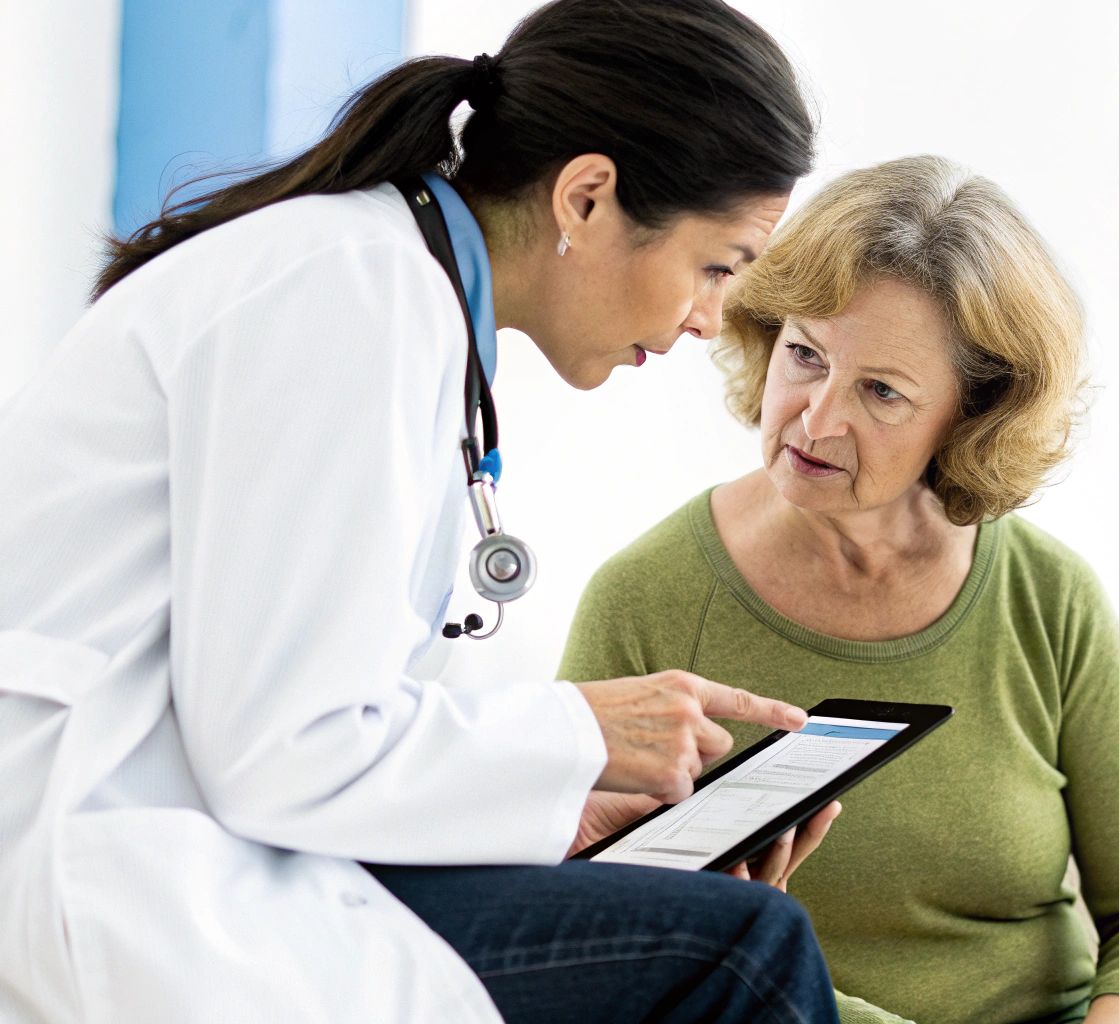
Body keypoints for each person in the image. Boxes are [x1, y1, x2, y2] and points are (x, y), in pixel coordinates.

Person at [0, 2, 845, 1021]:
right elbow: (284, 751)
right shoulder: (351, 293)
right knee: (742, 953)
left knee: (690, 917)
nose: (708, 317)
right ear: (585, 196)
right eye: (718, 265)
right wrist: (574, 733)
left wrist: (554, 806)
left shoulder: (386, 287)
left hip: (184, 838)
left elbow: (297, 727)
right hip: (107, 861)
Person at [558, 156, 1119, 1024]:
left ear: (969, 418)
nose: (816, 417)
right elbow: (591, 936)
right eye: (804, 356)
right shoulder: (644, 602)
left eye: (881, 391)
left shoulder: (1047, 598)